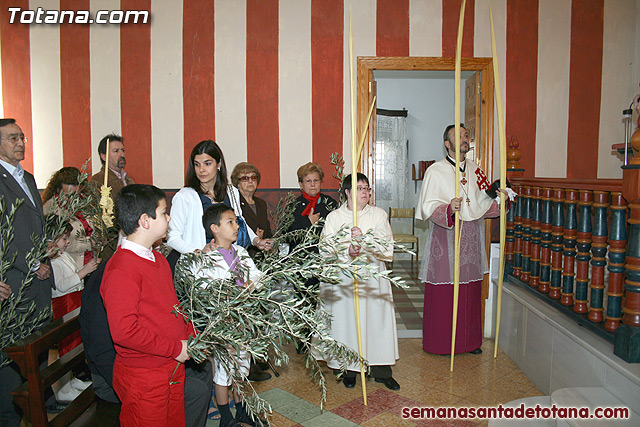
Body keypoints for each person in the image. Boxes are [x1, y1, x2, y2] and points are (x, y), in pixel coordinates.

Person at [80, 256, 214, 427]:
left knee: (205, 369)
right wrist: (125, 387)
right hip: (115, 373)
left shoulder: (151, 263)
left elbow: (168, 315)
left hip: (152, 360)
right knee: (197, 392)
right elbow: (104, 347)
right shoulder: (117, 273)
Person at [100, 184, 191, 425]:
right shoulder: (122, 269)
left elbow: (172, 307)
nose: (169, 217)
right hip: (145, 376)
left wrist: (192, 335)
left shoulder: (157, 258)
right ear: (145, 220)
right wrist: (175, 348)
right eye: (163, 212)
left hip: (170, 367)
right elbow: (124, 332)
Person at [415, 124, 502, 355]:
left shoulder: (476, 170)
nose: (465, 138)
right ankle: (441, 343)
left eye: (466, 135)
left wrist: (500, 198)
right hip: (445, 237)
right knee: (445, 293)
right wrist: (447, 208)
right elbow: (427, 208)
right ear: (447, 143)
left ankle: (469, 342)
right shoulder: (435, 171)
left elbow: (484, 204)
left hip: (471, 237)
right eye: (459, 135)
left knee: (470, 292)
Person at [317, 173, 400, 391]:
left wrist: (365, 242)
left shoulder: (378, 214)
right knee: (348, 324)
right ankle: (350, 370)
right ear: (347, 192)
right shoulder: (334, 217)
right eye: (360, 188)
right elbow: (325, 248)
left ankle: (381, 370)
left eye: (367, 188)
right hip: (344, 280)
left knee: (375, 322)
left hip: (372, 279)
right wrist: (348, 250)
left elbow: (386, 247)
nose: (365, 192)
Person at [0, 118, 53, 426]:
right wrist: (30, 263)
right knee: (11, 360)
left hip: (37, 283)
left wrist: (47, 245)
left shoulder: (28, 178)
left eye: (22, 137)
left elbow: (29, 226)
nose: (20, 142)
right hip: (13, 283)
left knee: (36, 351)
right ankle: (8, 417)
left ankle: (33, 410)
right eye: (12, 138)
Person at [196, 203, 264, 427]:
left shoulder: (242, 253)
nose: (237, 226)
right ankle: (226, 417)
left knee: (241, 366)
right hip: (222, 323)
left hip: (243, 320)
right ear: (214, 228)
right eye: (231, 222)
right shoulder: (207, 259)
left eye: (236, 221)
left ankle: (242, 409)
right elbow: (204, 289)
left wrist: (249, 285)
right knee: (224, 369)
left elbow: (257, 276)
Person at [168, 140, 272, 255]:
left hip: (228, 261)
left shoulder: (232, 192)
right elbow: (172, 237)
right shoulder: (185, 196)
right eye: (197, 164)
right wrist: (197, 253)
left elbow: (240, 223)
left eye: (207, 164)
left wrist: (256, 241)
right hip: (198, 266)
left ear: (219, 164)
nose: (201, 169)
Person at [288, 162, 338, 354]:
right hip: (301, 260)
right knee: (304, 300)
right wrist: (306, 222)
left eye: (316, 180)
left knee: (325, 299)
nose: (312, 184)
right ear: (301, 184)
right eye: (308, 181)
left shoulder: (330, 203)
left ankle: (326, 337)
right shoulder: (293, 204)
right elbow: (287, 231)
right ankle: (304, 338)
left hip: (324, 259)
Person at [49, 220, 99, 402]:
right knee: (67, 345)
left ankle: (73, 380)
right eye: (63, 239)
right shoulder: (52, 260)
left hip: (74, 299)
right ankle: (63, 387)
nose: (67, 242)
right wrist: (83, 271)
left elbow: (73, 273)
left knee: (76, 341)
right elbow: (61, 285)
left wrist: (86, 268)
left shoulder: (61, 255)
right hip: (65, 302)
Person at [43, 166, 96, 268]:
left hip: (90, 262)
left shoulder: (85, 205)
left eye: (76, 195)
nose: (72, 200)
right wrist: (89, 243)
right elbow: (55, 243)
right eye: (68, 196)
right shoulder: (51, 209)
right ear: (58, 190)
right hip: (69, 265)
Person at [230, 162, 273, 258]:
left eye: (253, 178)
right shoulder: (233, 203)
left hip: (262, 254)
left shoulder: (261, 203)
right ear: (237, 183)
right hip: (242, 254)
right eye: (245, 178)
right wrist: (255, 238)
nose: (250, 181)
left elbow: (267, 230)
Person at [90, 133, 134, 203]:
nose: (121, 154)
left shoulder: (129, 180)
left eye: (123, 150)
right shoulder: (98, 181)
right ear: (104, 156)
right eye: (116, 151)